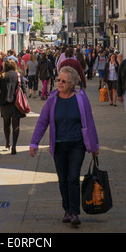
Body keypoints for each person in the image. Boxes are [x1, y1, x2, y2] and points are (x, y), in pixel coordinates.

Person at [30, 67, 99, 227]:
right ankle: (67, 209)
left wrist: (94, 145)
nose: (59, 83)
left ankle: (75, 212)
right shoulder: (52, 99)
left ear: (72, 83)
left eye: (63, 81)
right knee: (63, 180)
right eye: (58, 80)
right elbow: (42, 122)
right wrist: (34, 142)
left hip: (77, 145)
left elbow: (89, 121)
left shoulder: (81, 99)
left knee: (73, 177)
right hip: (59, 146)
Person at [0, 59, 26, 154]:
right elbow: (24, 89)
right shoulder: (18, 75)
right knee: (16, 125)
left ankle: (7, 142)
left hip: (5, 104)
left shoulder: (1, 76)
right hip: (16, 103)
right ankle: (14, 146)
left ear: (4, 67)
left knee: (6, 124)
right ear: (14, 66)